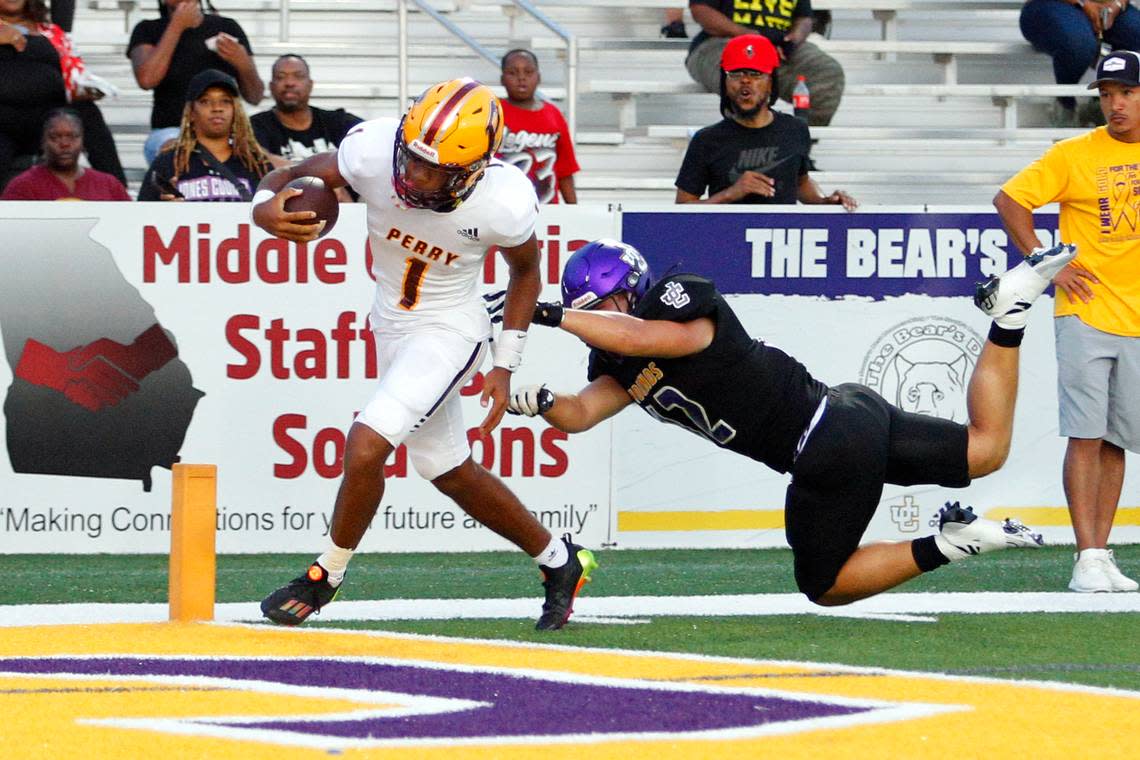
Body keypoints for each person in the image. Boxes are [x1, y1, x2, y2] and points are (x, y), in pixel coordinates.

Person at [508, 238, 1073, 606]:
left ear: (632, 292)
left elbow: (651, 337)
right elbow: (582, 413)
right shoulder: (616, 358)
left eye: (599, 306)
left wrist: (552, 314)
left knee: (824, 585)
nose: (592, 319)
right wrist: (536, 401)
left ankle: (948, 546)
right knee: (985, 451)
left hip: (823, 442)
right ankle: (1010, 314)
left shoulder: (676, 305)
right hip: (846, 414)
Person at [249, 78, 598, 631]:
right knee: (447, 468)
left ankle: (325, 575)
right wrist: (262, 209)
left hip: (448, 329)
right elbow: (286, 176)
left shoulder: (502, 202)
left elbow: (526, 272)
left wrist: (504, 364)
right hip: (389, 323)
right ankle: (560, 559)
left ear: (473, 170)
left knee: (366, 445)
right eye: (410, 160)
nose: (412, 176)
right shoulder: (373, 149)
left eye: (432, 171)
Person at [993, 50, 1140, 594]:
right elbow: (1010, 200)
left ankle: (1101, 554)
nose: (1115, 104)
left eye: (1126, 93)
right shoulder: (1074, 153)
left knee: (1118, 439)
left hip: (1137, 318)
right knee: (1086, 433)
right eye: (1106, 94)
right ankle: (1085, 558)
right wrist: (1045, 266)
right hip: (1086, 312)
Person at [675, 35, 855, 208]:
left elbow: (801, 182)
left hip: (780, 236)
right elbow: (682, 208)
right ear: (725, 82)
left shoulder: (795, 129)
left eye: (755, 73)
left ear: (771, 82)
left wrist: (825, 202)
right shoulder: (706, 140)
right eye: (736, 74)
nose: (745, 80)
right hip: (726, 237)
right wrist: (729, 194)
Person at [0, 0, 126, 190]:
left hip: (46, 119)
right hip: (3, 121)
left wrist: (84, 89)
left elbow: (72, 73)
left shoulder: (51, 32)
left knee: (86, 112)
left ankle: (119, 193)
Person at [128, 0, 263, 165]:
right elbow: (147, 79)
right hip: (171, 130)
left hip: (225, 131)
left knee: (263, 158)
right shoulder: (147, 29)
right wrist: (176, 26)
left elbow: (255, 96)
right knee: (176, 153)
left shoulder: (226, 27)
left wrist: (244, 64)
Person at [686, 0, 844, 127]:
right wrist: (751, 37)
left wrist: (793, 39)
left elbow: (804, 18)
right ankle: (741, 154)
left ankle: (797, 150)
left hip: (780, 46)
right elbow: (701, 10)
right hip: (722, 40)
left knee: (827, 72)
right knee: (741, 70)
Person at [138, 68, 270, 201]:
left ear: (235, 111)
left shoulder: (257, 165)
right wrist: (164, 210)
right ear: (191, 113)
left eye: (225, 101)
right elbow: (140, 217)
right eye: (205, 101)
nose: (217, 108)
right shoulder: (167, 164)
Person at [250, 53, 362, 201]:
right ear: (271, 86)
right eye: (281, 77)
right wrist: (321, 181)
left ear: (310, 85)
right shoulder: (257, 125)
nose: (289, 82)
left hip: (345, 210)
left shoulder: (337, 121)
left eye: (298, 76)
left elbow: (371, 143)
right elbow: (261, 158)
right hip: (283, 208)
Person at [1020, 0, 1140, 127]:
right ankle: (1065, 104)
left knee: (1135, 31)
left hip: (1106, 5)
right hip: (1051, 5)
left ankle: (1102, 102)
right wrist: (1083, 3)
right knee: (1079, 44)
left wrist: (1118, 4)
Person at [496, 48, 579, 205]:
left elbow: (565, 171)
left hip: (546, 209)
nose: (521, 78)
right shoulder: (492, 113)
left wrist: (573, 211)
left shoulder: (553, 114)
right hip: (502, 209)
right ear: (502, 79)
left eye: (528, 72)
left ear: (538, 77)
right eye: (512, 72)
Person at [2, 108, 130, 200]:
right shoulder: (22, 186)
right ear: (42, 142)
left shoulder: (109, 185)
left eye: (72, 136)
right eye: (55, 137)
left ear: (83, 141)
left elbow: (129, 224)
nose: (64, 144)